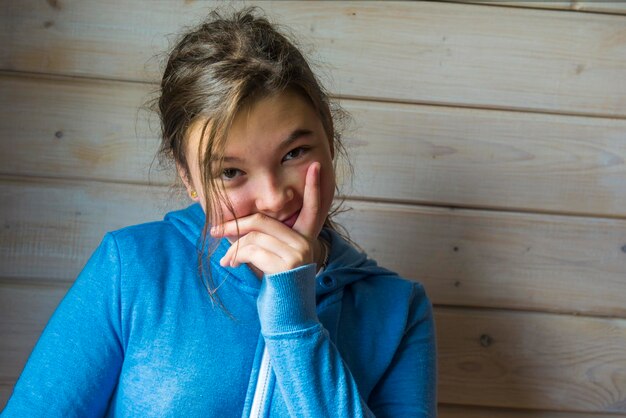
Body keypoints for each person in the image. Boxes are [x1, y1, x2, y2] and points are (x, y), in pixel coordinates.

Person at [2, 7, 436, 417]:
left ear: (330, 135)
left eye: (295, 152)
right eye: (230, 171)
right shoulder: (131, 269)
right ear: (188, 178)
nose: (272, 198)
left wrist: (295, 319)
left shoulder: (398, 310)